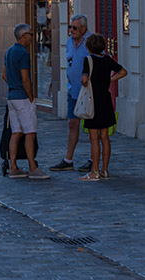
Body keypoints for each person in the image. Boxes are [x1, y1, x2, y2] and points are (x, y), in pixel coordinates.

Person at [3, 23, 50, 179]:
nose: (32, 36)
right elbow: (25, 79)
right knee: (30, 132)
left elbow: (5, 75)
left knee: (16, 132)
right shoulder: (23, 53)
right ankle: (32, 167)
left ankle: (13, 166)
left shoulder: (9, 51)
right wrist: (31, 97)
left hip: (12, 97)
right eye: (30, 34)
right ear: (23, 36)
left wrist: (13, 86)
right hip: (22, 97)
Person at [80, 33, 128, 181]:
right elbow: (123, 71)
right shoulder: (107, 60)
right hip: (106, 100)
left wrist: (86, 82)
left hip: (92, 101)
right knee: (105, 137)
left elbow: (84, 79)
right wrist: (110, 79)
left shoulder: (88, 60)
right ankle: (104, 170)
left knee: (94, 138)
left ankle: (94, 171)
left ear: (89, 47)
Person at [50, 14, 93, 173]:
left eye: (74, 28)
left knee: (90, 126)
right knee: (72, 123)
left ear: (83, 28)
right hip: (73, 90)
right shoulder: (69, 42)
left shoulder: (91, 42)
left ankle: (92, 159)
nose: (71, 30)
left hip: (88, 91)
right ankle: (68, 159)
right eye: (70, 27)